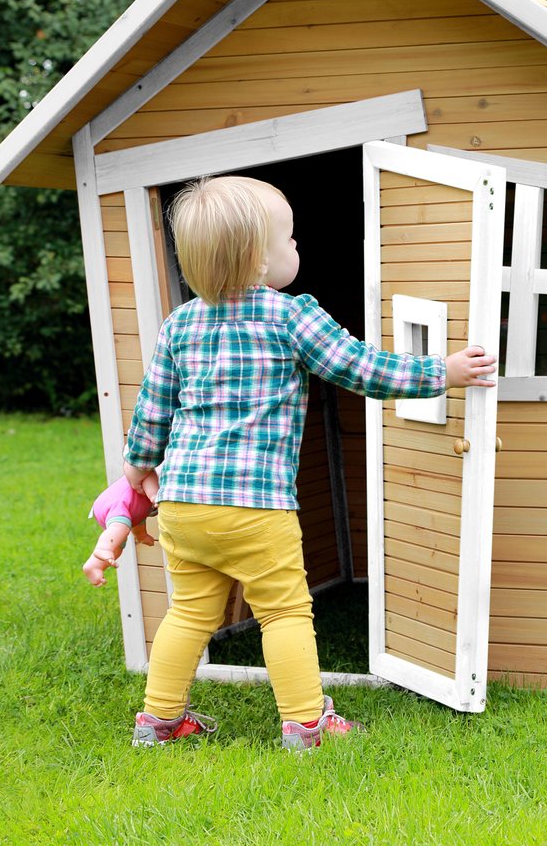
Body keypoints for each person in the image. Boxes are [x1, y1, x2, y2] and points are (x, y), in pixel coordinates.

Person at [121, 175, 496, 751]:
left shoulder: (179, 325)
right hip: (257, 507)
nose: (297, 248)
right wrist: (440, 372)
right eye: (290, 239)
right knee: (285, 613)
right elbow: (361, 368)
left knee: (188, 614)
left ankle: (159, 721)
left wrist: (138, 468)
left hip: (184, 503)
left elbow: (153, 408)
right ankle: (305, 723)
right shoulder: (291, 317)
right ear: (257, 257)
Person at [82, 471, 161, 587]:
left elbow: (139, 519)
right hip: (118, 504)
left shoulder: (139, 505)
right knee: (120, 529)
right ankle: (103, 547)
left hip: (126, 509)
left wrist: (142, 536)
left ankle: (95, 565)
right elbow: (147, 474)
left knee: (118, 546)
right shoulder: (150, 470)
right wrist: (154, 495)